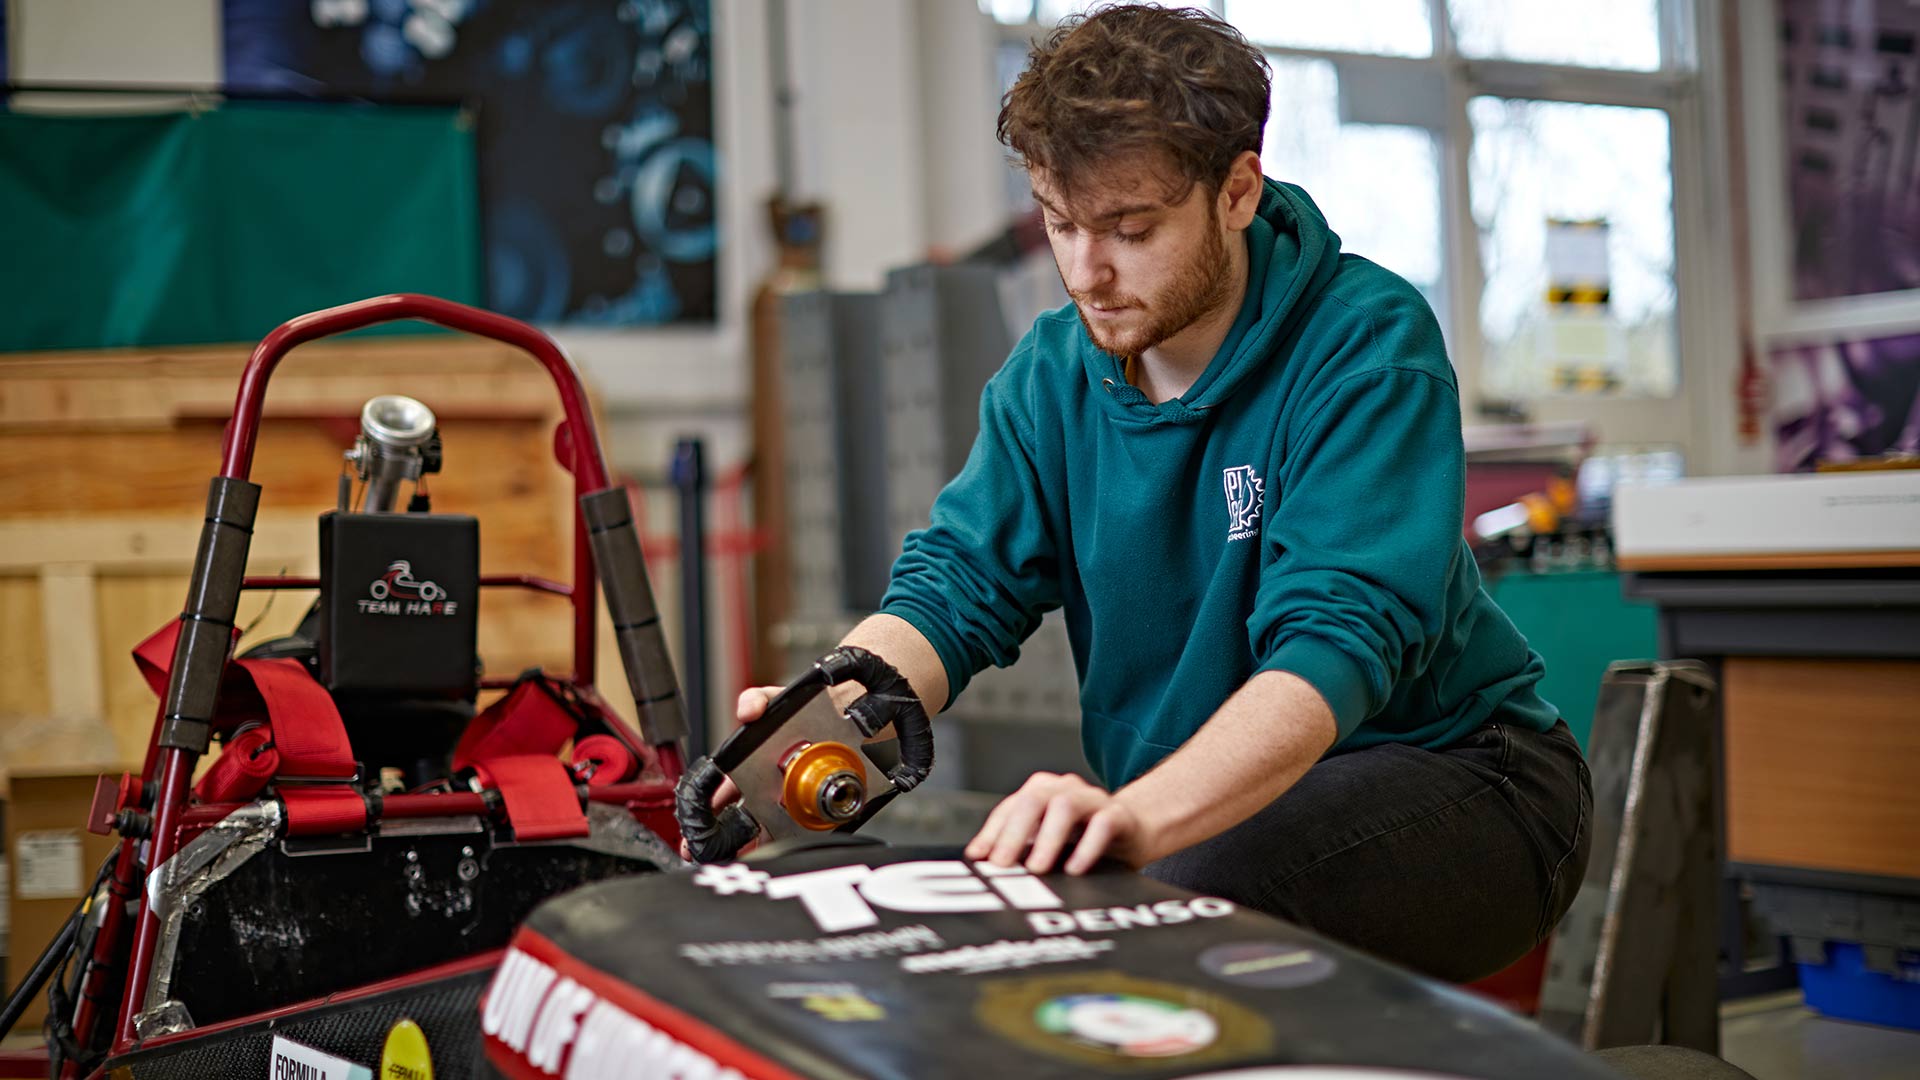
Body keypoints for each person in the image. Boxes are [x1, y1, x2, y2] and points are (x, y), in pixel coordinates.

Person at [734, 3, 1591, 982]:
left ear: (1236, 190)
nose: (1088, 273)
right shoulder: (1052, 373)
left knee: (1172, 895)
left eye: (1129, 229)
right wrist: (829, 706)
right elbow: (957, 586)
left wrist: (1135, 817)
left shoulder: (1364, 345)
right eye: (1061, 226)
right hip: (1214, 810)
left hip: (1472, 778)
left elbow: (1334, 650)